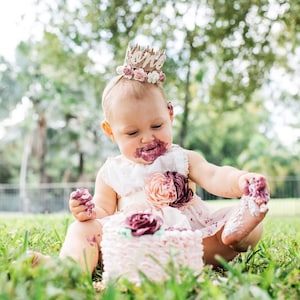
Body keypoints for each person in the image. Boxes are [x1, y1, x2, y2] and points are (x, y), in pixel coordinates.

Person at [33, 44, 270, 274]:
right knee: (81, 229)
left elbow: (214, 175)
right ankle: (69, 268)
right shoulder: (111, 172)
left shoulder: (181, 158)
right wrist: (87, 211)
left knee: (235, 221)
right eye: (132, 133)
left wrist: (241, 180)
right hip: (131, 245)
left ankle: (240, 229)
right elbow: (103, 209)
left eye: (157, 125)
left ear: (169, 114)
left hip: (191, 243)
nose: (147, 138)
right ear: (111, 132)